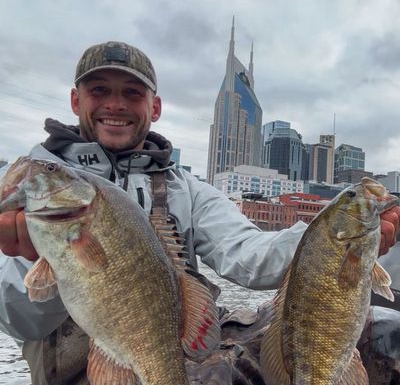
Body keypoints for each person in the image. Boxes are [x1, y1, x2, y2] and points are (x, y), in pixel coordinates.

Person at [0, 41, 399, 384]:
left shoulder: (182, 186)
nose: (115, 104)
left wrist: (337, 237)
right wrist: (47, 260)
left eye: (133, 93)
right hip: (86, 364)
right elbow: (21, 323)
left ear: (154, 107)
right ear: (75, 100)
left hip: (179, 345)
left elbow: (251, 255)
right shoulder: (28, 188)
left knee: (383, 330)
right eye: (99, 90)